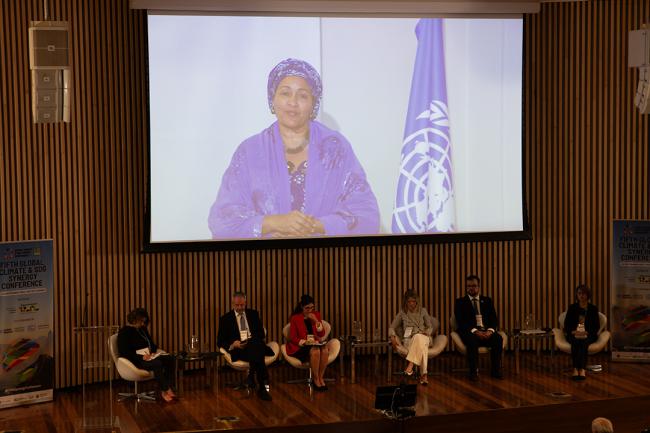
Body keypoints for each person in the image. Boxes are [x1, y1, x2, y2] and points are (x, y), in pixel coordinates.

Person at [208, 58, 380, 239]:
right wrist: (276, 223)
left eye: (303, 95)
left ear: (313, 104)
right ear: (272, 99)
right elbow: (223, 220)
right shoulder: (250, 152)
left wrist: (316, 226)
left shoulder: (335, 148)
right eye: (285, 93)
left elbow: (365, 215)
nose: (293, 102)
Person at [217, 292, 274, 401]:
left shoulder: (253, 314)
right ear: (233, 304)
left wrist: (251, 339)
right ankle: (261, 385)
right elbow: (220, 341)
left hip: (254, 346)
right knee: (257, 351)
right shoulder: (225, 319)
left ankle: (252, 376)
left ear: (245, 303)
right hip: (240, 350)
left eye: (242, 305)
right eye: (237, 305)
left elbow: (261, 334)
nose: (240, 308)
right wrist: (233, 344)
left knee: (254, 344)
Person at [117, 308, 177, 402]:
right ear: (134, 319)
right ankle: (165, 390)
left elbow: (151, 344)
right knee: (157, 364)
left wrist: (153, 351)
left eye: (144, 322)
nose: (142, 324)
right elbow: (125, 353)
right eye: (141, 321)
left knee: (170, 359)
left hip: (149, 356)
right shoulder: (124, 332)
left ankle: (167, 387)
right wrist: (142, 357)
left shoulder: (142, 329)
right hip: (135, 361)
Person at [453, 275, 503, 381]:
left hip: (486, 332)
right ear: (466, 287)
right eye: (469, 286)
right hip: (470, 332)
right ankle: (473, 372)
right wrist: (476, 332)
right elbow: (461, 322)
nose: (471, 288)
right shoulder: (460, 302)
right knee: (472, 340)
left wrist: (490, 331)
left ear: (479, 287)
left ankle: (495, 371)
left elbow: (494, 319)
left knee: (498, 339)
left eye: (474, 286)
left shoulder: (487, 300)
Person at [388, 289, 435, 385]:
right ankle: (424, 375)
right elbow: (392, 327)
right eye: (409, 301)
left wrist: (426, 333)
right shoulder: (402, 313)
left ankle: (410, 366)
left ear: (417, 301)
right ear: (405, 302)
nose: (411, 304)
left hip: (425, 337)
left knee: (419, 337)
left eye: (413, 301)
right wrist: (392, 336)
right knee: (422, 347)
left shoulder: (423, 311)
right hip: (409, 340)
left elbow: (430, 327)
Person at [286, 294, 330, 391]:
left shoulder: (316, 315)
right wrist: (305, 342)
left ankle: (320, 377)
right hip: (301, 346)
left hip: (314, 343)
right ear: (302, 307)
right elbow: (292, 337)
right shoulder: (295, 318)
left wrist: (316, 321)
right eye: (307, 308)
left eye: (312, 307)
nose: (310, 310)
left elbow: (322, 333)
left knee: (325, 350)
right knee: (316, 352)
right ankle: (315, 380)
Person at [564, 284, 600, 381]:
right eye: (579, 293)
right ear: (577, 295)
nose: (581, 295)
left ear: (588, 295)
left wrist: (586, 333)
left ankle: (582, 369)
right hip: (574, 333)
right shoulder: (572, 308)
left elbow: (596, 326)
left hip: (588, 334)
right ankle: (576, 369)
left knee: (584, 343)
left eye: (584, 293)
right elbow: (567, 324)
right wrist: (573, 331)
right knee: (575, 342)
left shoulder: (593, 309)